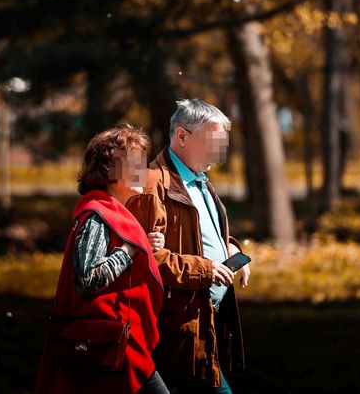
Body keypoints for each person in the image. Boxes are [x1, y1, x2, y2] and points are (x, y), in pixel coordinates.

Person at [126, 99, 250, 393]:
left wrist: (230, 249)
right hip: (176, 330)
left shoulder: (201, 180)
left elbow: (203, 233)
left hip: (206, 325)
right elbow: (142, 257)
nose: (219, 154)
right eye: (213, 143)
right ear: (182, 136)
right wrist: (206, 269)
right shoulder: (150, 182)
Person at [34, 123, 169, 394]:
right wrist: (128, 251)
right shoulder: (97, 214)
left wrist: (143, 244)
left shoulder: (113, 213)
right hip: (107, 345)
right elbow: (87, 279)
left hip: (117, 342)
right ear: (108, 170)